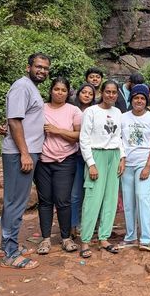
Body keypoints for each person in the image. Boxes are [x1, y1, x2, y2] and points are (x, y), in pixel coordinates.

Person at [0, 52, 51, 270]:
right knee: (16, 202)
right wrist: (24, 153)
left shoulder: (30, 87)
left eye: (45, 68)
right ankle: (10, 254)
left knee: (14, 201)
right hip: (20, 153)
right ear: (28, 67)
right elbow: (14, 121)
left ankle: (8, 245)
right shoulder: (22, 86)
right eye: (38, 66)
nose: (42, 71)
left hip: (26, 151)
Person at [34, 77, 82, 255]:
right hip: (43, 161)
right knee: (45, 201)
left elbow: (78, 135)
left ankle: (65, 238)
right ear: (51, 90)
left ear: (68, 92)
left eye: (63, 90)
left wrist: (58, 130)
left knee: (63, 201)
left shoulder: (73, 110)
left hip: (65, 160)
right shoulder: (41, 108)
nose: (59, 92)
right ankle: (45, 239)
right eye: (56, 89)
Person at [79, 80, 126, 258]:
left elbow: (119, 136)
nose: (111, 95)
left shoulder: (118, 112)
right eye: (108, 92)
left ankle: (104, 238)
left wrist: (122, 157)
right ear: (102, 92)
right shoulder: (91, 111)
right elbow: (84, 139)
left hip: (113, 156)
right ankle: (85, 240)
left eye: (114, 92)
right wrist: (91, 163)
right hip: (96, 155)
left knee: (110, 199)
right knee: (92, 198)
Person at [120, 84, 150, 251]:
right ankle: (130, 236)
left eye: (142, 98)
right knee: (128, 201)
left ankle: (145, 238)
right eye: (136, 97)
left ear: (146, 101)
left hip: (144, 163)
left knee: (142, 197)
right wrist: (122, 159)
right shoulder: (123, 117)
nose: (139, 100)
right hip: (126, 164)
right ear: (131, 99)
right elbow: (118, 139)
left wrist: (148, 166)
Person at [70, 83, 96, 237]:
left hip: (94, 157)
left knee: (92, 193)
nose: (87, 95)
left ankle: (89, 225)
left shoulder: (96, 111)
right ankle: (73, 225)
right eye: (84, 92)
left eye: (90, 93)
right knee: (75, 193)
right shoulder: (72, 110)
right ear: (78, 94)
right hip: (76, 156)